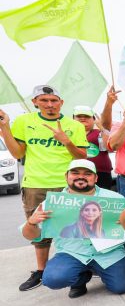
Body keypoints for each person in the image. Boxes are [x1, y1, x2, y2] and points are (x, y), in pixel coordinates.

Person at [0, 85, 89, 292]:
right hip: (35, 184)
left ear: (61, 102)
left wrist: (67, 142)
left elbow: (82, 156)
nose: (50, 105)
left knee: (75, 228)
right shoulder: (24, 122)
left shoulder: (74, 125)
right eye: (44, 100)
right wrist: (5, 128)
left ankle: (79, 272)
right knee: (39, 231)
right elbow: (16, 153)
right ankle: (41, 270)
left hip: (68, 185)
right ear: (35, 102)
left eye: (53, 100)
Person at [21, 160, 125, 298]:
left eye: (87, 174)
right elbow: (30, 236)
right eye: (75, 173)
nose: (81, 176)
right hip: (72, 253)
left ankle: (100, 271)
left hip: (108, 254)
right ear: (66, 176)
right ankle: (80, 279)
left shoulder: (115, 199)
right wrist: (31, 223)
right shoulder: (53, 203)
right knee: (53, 279)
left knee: (122, 286)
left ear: (96, 178)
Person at [75, 105, 113, 189]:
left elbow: (109, 147)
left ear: (94, 119)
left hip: (101, 173)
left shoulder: (99, 132)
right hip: (78, 171)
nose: (83, 118)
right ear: (73, 118)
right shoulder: (69, 133)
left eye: (87, 116)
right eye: (79, 116)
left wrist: (101, 128)